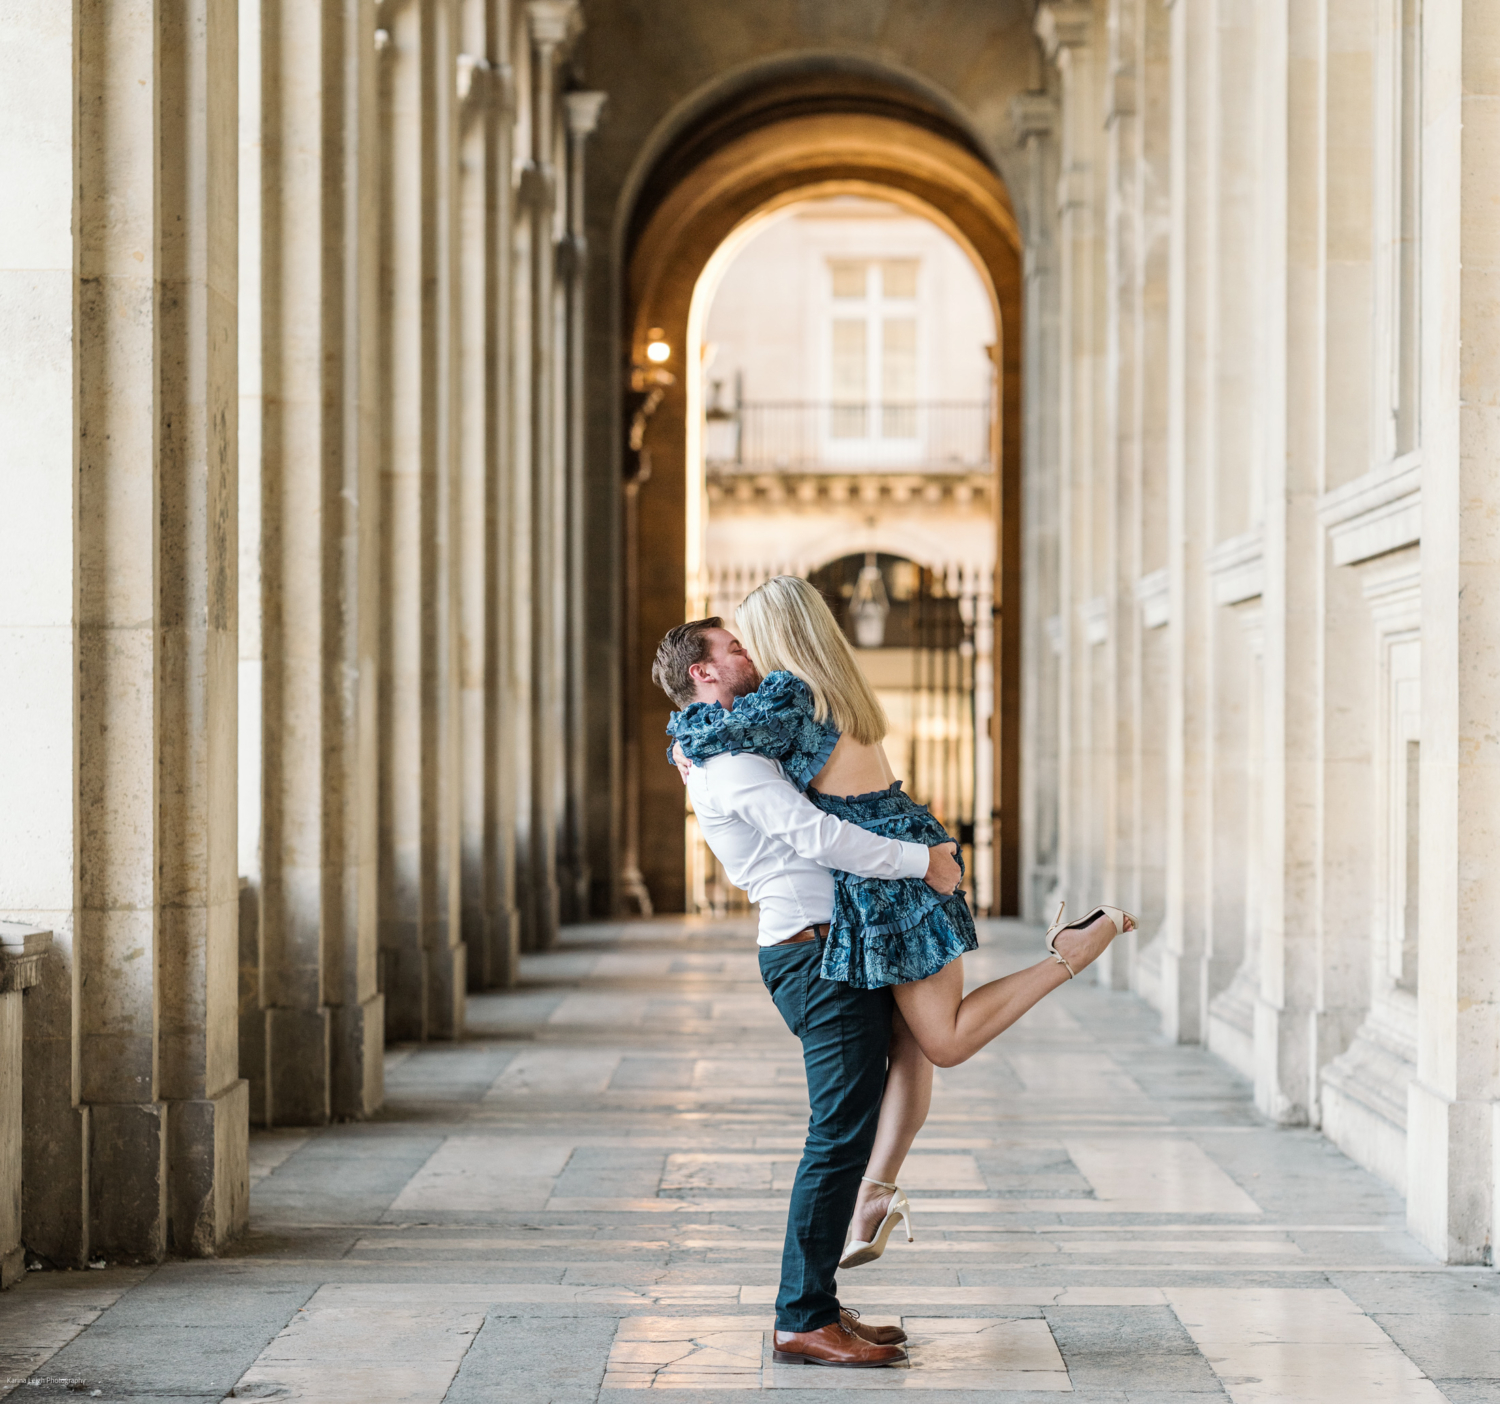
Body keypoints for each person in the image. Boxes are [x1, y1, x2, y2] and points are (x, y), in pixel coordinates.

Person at [666, 576, 1133, 1277]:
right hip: (898, 852)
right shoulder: (833, 685)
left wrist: (684, 745)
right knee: (912, 1044)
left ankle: (1066, 955)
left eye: (748, 640)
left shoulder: (789, 696)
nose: (749, 656)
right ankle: (877, 1193)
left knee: (938, 1041)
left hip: (890, 876)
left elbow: (714, 733)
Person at [651, 616, 962, 1368]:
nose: (747, 653)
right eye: (732, 648)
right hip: (813, 956)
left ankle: (818, 1301)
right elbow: (818, 837)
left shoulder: (725, 747)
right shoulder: (731, 767)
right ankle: (802, 1318)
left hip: (826, 946)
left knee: (850, 1124)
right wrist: (924, 863)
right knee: (836, 1136)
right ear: (701, 673)